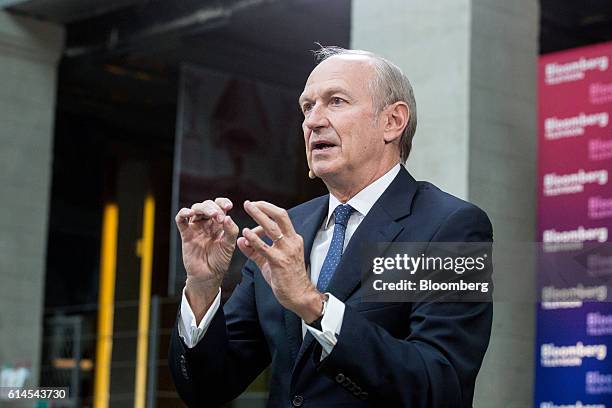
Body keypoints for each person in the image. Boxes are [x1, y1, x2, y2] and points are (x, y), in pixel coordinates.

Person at [168, 46, 493, 408]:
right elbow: (206, 389)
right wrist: (202, 283)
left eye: (335, 101)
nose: (313, 121)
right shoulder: (283, 233)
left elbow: (440, 387)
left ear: (393, 121)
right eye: (307, 107)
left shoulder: (450, 227)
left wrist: (313, 304)